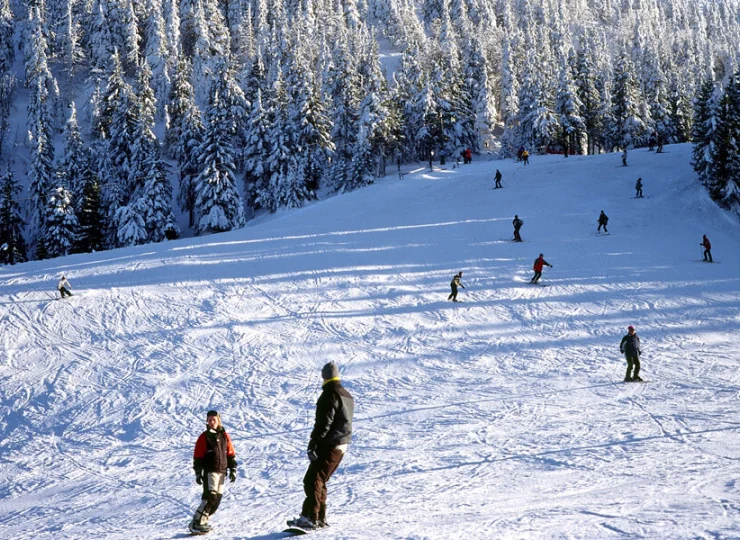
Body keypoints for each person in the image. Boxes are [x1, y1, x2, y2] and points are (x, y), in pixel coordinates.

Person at [290, 362, 354, 531]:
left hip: (330, 443)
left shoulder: (329, 394)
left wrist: (314, 443)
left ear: (323, 376)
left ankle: (311, 517)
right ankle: (319, 518)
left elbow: (324, 423)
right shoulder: (346, 394)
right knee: (320, 480)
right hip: (342, 444)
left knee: (312, 480)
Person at [189, 410, 237, 534]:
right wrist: (198, 472)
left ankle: (202, 521)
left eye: (213, 420)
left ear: (218, 421)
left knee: (216, 501)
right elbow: (198, 456)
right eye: (209, 420)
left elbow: (230, 453)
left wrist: (232, 469)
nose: (211, 422)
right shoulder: (204, 436)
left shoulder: (224, 435)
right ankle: (197, 523)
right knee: (210, 497)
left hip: (222, 471)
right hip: (210, 470)